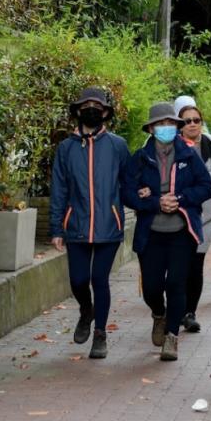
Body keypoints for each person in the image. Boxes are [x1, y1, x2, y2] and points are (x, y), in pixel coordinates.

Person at [123, 102, 211, 362]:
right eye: (161, 124)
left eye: (171, 124)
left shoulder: (188, 155)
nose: (167, 128)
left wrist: (181, 199)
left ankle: (172, 335)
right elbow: (127, 192)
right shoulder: (139, 158)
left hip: (181, 232)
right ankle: (159, 315)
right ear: (151, 128)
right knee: (151, 287)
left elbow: (205, 186)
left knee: (176, 283)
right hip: (150, 233)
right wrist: (153, 202)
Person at [50, 87, 131, 360]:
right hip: (77, 225)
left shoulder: (118, 145)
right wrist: (57, 228)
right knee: (78, 280)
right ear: (78, 111)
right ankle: (86, 310)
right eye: (87, 105)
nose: (92, 109)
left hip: (109, 224)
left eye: (98, 105)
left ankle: (100, 335)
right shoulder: (66, 148)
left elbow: (129, 182)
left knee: (100, 279)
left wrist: (146, 197)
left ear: (106, 112)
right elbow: (59, 189)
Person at [174, 96, 211, 333]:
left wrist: (189, 179)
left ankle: (189, 313)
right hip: (176, 215)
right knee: (177, 266)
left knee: (195, 264)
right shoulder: (170, 145)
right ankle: (174, 309)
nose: (192, 124)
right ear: (179, 125)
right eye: (186, 121)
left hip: (206, 217)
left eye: (196, 120)